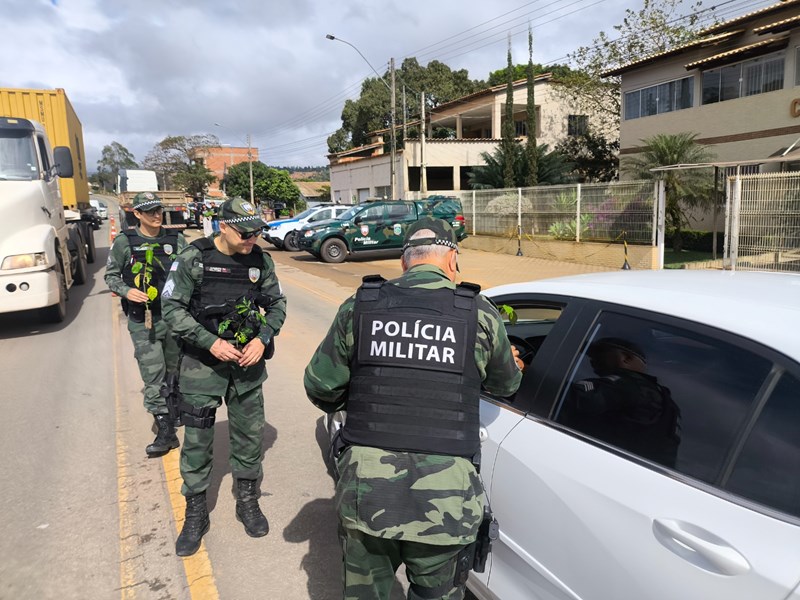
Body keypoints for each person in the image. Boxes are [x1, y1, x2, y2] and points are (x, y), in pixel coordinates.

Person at [304, 217, 523, 600]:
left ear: (405, 261)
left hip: (368, 491)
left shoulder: (361, 305)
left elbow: (320, 387)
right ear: (452, 260)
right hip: (446, 499)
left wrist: (366, 401)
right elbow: (506, 385)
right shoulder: (480, 313)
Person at [161, 197, 287, 557]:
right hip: (202, 365)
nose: (251, 240)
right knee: (197, 441)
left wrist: (262, 339)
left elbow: (277, 305)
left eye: (256, 233)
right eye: (245, 234)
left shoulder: (260, 261)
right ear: (223, 226)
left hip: (246, 366)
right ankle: (195, 512)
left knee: (249, 436)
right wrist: (210, 342)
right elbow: (171, 308)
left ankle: (248, 501)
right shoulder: (194, 258)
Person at [104, 191, 187, 458]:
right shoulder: (125, 242)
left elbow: (191, 270)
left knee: (175, 369)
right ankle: (165, 432)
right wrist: (127, 291)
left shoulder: (176, 239)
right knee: (153, 374)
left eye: (158, 210)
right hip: (144, 321)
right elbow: (111, 275)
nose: (156, 215)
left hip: (175, 318)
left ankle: (174, 409)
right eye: (149, 211)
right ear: (137, 214)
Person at [567, 337, 681, 466]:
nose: (592, 360)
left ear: (626, 358)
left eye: (599, 354)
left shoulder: (624, 386)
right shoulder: (667, 403)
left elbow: (573, 398)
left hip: (597, 462)